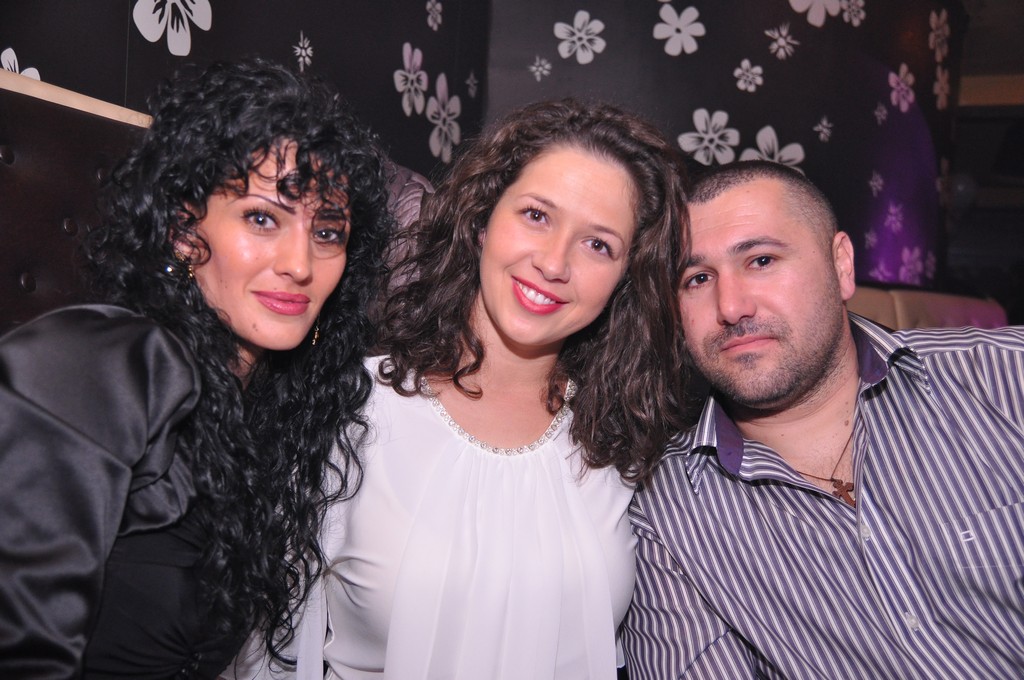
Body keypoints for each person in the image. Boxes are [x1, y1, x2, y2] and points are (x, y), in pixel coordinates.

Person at [239, 97, 688, 679]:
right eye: (536, 215)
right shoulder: (348, 410)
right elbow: (265, 651)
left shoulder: (625, 441)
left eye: (598, 244)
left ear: (625, 278)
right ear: (481, 222)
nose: (554, 263)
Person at [0, 58, 392, 678]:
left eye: (327, 232)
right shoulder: (96, 363)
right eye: (262, 218)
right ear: (184, 229)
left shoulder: (273, 411)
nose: (300, 263)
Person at [622, 160, 1024, 678]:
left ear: (841, 265)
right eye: (697, 278)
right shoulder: (666, 513)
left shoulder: (1005, 379)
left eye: (761, 260)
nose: (731, 306)